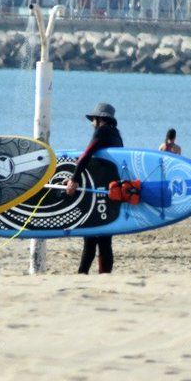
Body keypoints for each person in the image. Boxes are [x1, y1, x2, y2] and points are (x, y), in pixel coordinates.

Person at [66, 102, 124, 274]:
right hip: (112, 191)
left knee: (90, 237)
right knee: (104, 238)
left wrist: (74, 179)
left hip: (97, 191)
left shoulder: (102, 131)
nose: (92, 123)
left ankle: (82, 274)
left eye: (93, 119)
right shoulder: (117, 135)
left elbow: (87, 154)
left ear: (100, 119)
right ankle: (103, 276)